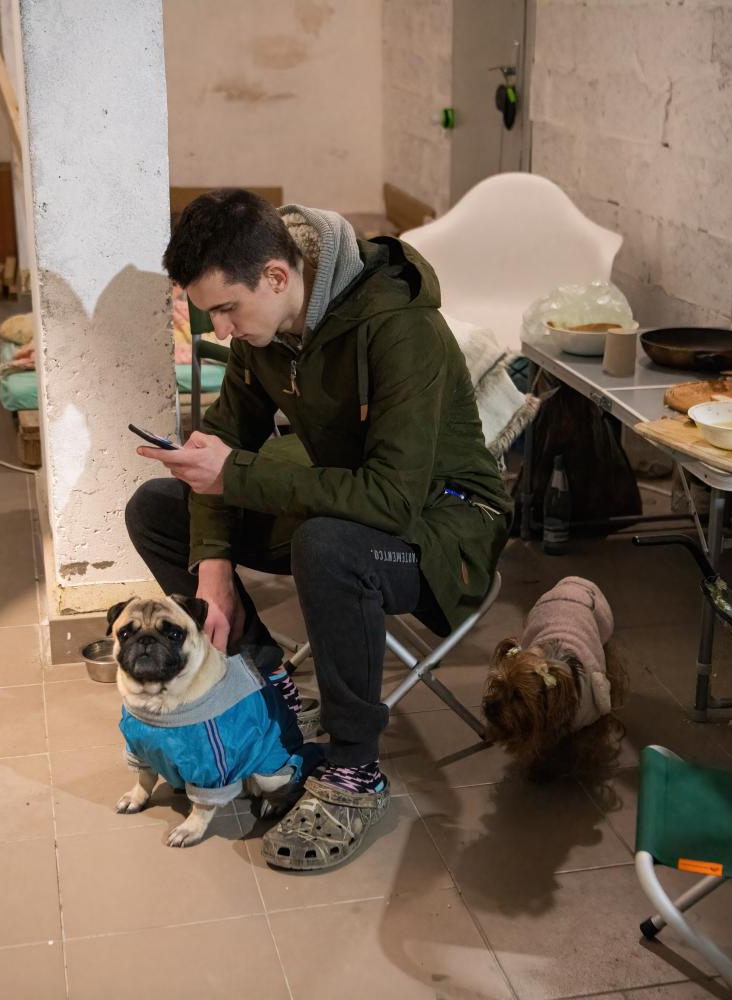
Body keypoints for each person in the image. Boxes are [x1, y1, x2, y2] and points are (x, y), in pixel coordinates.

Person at [127, 188, 510, 870]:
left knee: (326, 545)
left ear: (276, 276)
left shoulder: (399, 327)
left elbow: (392, 500)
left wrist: (236, 476)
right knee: (158, 507)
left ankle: (354, 772)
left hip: (443, 527)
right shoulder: (269, 328)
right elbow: (218, 444)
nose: (219, 329)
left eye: (225, 309)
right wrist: (212, 561)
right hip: (350, 507)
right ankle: (267, 684)